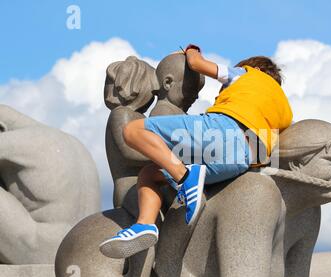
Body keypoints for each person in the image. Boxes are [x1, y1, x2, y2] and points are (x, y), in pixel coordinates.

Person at [99, 44, 293, 259]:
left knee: (133, 131)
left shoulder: (246, 74)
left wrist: (191, 50)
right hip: (243, 160)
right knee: (150, 175)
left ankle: (184, 178)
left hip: (223, 132)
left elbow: (196, 64)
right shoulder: (284, 109)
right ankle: (145, 225)